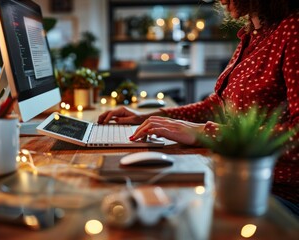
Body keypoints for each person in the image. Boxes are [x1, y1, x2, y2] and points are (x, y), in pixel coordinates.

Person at [98, 0, 299, 215]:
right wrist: (149, 116)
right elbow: (218, 105)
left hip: (271, 193)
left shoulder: (293, 31)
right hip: (234, 177)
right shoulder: (255, 35)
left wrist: (205, 132)